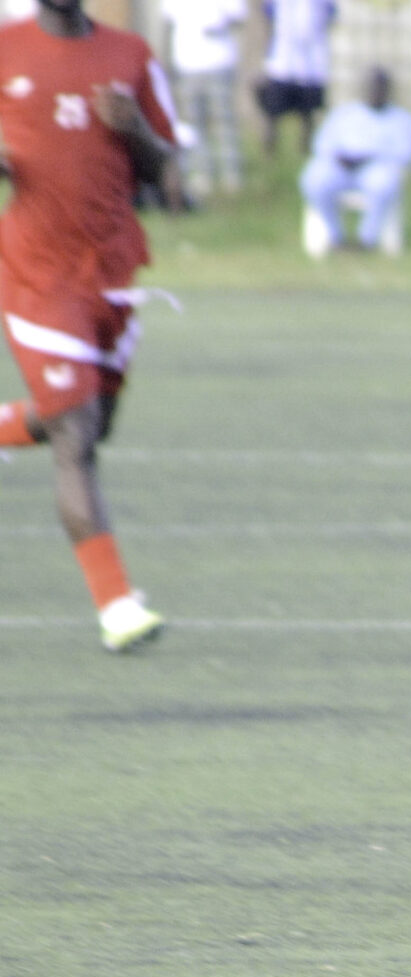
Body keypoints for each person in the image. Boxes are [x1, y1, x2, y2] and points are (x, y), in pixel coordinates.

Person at [0, 0, 178, 651]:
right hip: (35, 275)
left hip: (111, 270)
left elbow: (166, 169)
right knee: (77, 437)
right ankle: (117, 606)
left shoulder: (131, 56)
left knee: (92, 420)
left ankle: (9, 425)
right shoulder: (5, 49)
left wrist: (133, 131)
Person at [298, 66, 411, 253]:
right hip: (340, 168)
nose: (375, 92)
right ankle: (335, 238)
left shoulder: (401, 119)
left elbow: (406, 154)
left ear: (388, 90)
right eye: (371, 87)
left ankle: (366, 240)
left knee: (384, 183)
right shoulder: (345, 113)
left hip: (376, 169)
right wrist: (340, 157)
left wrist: (370, 158)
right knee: (314, 179)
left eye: (379, 87)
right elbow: (322, 145)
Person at [160, 0, 244, 198]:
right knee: (194, 123)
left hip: (219, 62)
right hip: (187, 63)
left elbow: (238, 17)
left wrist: (218, 23)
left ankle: (231, 173)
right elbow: (168, 24)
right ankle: (201, 173)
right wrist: (166, 60)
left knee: (224, 121)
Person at [255, 0, 329, 158]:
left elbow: (330, 14)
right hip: (282, 60)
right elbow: (268, 15)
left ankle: (305, 155)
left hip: (311, 63)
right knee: (272, 113)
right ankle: (268, 157)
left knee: (308, 114)